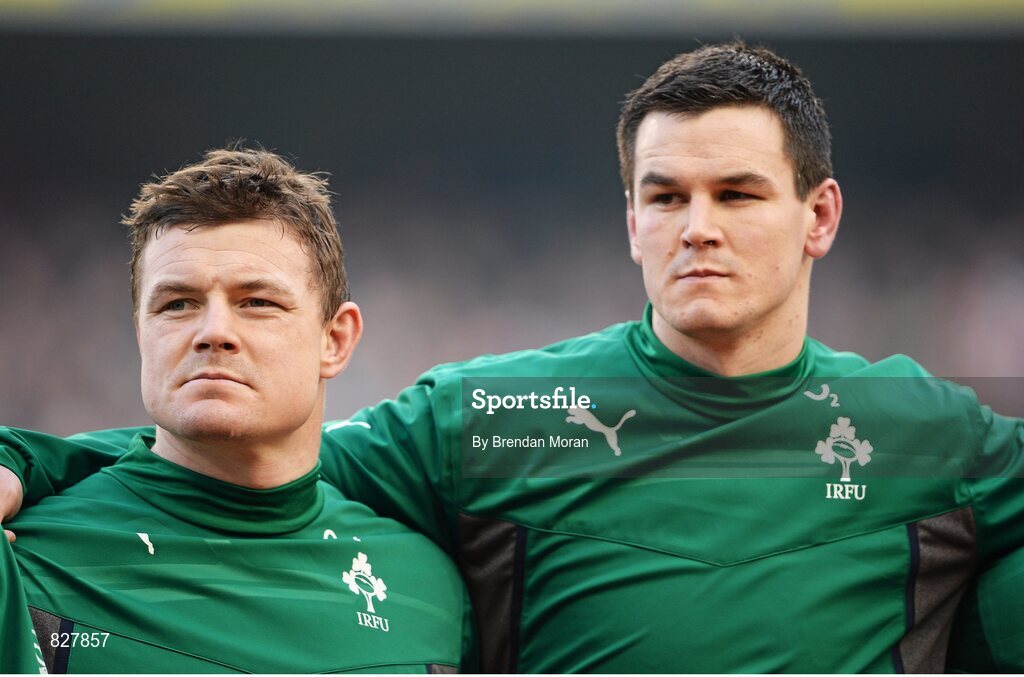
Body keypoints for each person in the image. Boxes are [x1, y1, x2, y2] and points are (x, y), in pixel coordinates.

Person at [2, 43, 1021, 672]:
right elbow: (242, 458)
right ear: (630, 220)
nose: (696, 227)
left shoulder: (926, 430)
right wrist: (30, 458)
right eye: (665, 195)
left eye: (737, 193)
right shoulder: (494, 415)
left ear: (819, 215)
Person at [0, 148, 472, 672]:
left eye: (257, 302)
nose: (213, 333)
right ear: (141, 335)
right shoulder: (27, 562)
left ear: (335, 340)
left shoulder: (428, 589)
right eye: (177, 304)